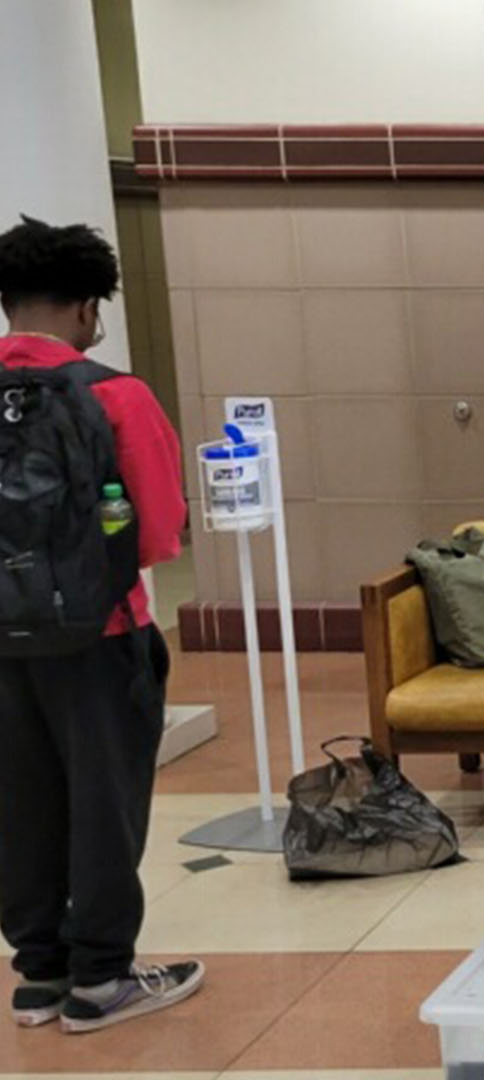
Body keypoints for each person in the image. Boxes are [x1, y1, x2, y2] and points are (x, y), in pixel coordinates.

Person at [0, 217, 195, 1031]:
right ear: (87, 308)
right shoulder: (115, 394)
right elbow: (159, 531)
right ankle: (101, 979)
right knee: (104, 803)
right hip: (101, 637)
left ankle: (38, 975)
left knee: (19, 800)